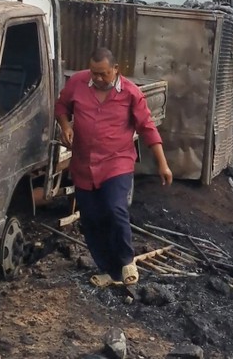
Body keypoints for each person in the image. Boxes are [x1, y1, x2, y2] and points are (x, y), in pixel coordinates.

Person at [55, 47, 172, 287]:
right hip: (84, 163)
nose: (97, 79)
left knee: (114, 207)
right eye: (94, 73)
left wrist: (163, 164)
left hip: (116, 162)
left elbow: (148, 128)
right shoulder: (78, 82)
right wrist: (65, 125)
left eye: (103, 74)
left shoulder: (130, 93)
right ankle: (109, 270)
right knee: (90, 218)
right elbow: (61, 107)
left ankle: (127, 260)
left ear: (116, 70)